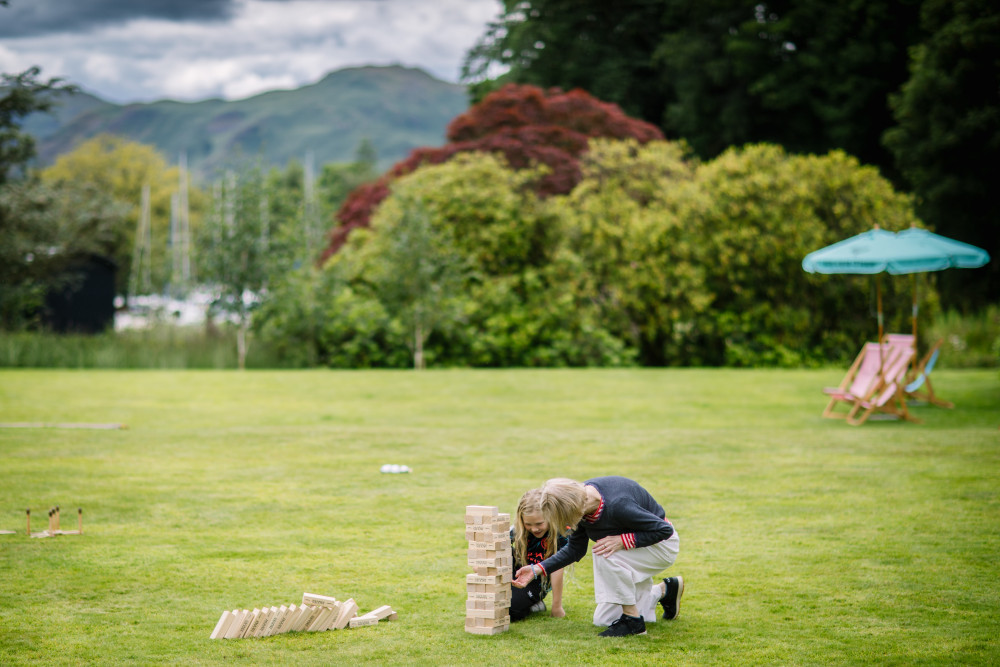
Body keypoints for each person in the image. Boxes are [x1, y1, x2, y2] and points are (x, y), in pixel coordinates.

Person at [511, 476, 683, 637]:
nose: (566, 525)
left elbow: (664, 530)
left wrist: (623, 540)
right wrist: (537, 569)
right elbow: (575, 550)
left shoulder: (618, 505)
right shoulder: (580, 503)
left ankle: (633, 621)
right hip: (632, 550)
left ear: (571, 508)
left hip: (661, 546)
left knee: (604, 551)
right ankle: (663, 591)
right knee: (603, 620)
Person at [509, 489, 568, 621]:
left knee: (511, 611)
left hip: (536, 582)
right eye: (528, 524)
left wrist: (556, 606)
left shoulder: (560, 535)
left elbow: (557, 568)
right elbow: (493, 548)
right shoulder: (517, 530)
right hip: (517, 574)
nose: (534, 529)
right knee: (496, 604)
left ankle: (535, 604)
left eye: (539, 523)